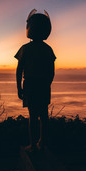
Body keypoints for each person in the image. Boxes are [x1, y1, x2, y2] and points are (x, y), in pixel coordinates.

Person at [15, 9, 56, 152]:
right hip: (43, 85)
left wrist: (19, 88)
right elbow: (52, 72)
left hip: (30, 84)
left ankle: (32, 145)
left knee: (33, 116)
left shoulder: (25, 49)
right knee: (44, 115)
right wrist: (46, 84)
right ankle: (42, 143)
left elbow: (19, 70)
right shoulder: (48, 49)